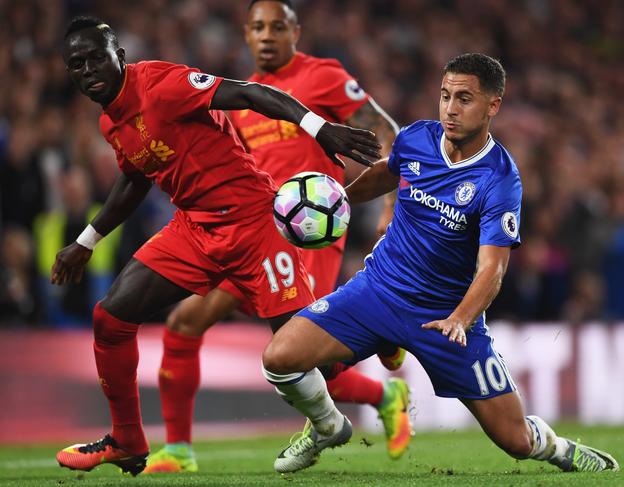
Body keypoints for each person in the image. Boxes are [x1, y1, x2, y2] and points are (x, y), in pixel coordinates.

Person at [260, 53, 620, 474]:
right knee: (279, 358)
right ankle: (325, 426)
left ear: (493, 105)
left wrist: (460, 319)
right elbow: (388, 171)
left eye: (464, 98)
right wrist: (340, 199)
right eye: (445, 96)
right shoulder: (416, 138)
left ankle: (557, 447)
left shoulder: (500, 179)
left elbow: (493, 269)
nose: (450, 108)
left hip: (443, 316)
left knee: (516, 442)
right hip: (377, 290)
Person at [52, 15, 381, 476]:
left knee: (314, 358)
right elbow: (133, 179)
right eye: (76, 65)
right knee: (111, 317)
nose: (86, 70)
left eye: (94, 58)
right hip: (194, 230)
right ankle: (127, 439)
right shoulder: (112, 122)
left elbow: (250, 93)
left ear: (119, 57)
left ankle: (377, 345)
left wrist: (320, 129)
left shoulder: (162, 86)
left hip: (256, 226)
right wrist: (86, 241)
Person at [143, 0, 410, 473]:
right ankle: (179, 451)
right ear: (246, 35)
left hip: (311, 237)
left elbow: (383, 130)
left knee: (306, 356)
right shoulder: (242, 97)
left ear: (296, 32)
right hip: (253, 235)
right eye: (258, 27)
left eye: (277, 26)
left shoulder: (323, 75)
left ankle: (382, 360)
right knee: (185, 322)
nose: (267, 35)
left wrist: (391, 202)